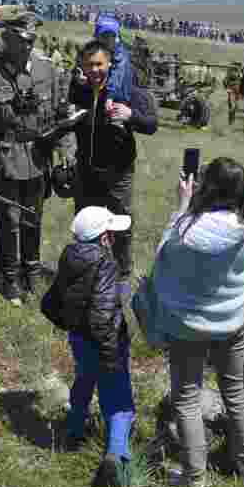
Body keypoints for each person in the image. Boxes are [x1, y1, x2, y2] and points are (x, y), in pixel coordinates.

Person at [151, 158, 244, 487]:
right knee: (234, 388)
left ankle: (194, 479)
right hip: (235, 314)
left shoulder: (187, 232)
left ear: (207, 187)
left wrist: (182, 205)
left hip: (190, 321)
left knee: (187, 399)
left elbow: (163, 255)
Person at [0, 9, 76, 304]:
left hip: (38, 155)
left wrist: (66, 151)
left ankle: (31, 272)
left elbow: (61, 114)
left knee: (34, 217)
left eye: (31, 39)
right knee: (9, 219)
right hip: (4, 156)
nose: (27, 45)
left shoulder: (47, 69)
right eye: (21, 39)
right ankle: (9, 278)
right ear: (6, 37)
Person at [49, 206, 136, 487]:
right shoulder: (105, 265)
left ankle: (74, 430)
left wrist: (73, 325)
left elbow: (51, 303)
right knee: (119, 400)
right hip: (105, 341)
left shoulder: (69, 256)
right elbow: (102, 317)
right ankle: (116, 457)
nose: (113, 237)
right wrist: (111, 353)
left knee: (84, 380)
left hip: (79, 338)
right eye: (110, 233)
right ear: (102, 239)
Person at [69, 39, 158, 298]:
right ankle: (88, 271)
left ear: (109, 63)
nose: (94, 70)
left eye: (99, 64)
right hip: (86, 169)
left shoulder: (125, 89)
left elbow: (152, 124)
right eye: (89, 65)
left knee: (120, 223)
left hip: (118, 172)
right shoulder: (80, 91)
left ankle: (121, 275)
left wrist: (132, 115)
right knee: (86, 224)